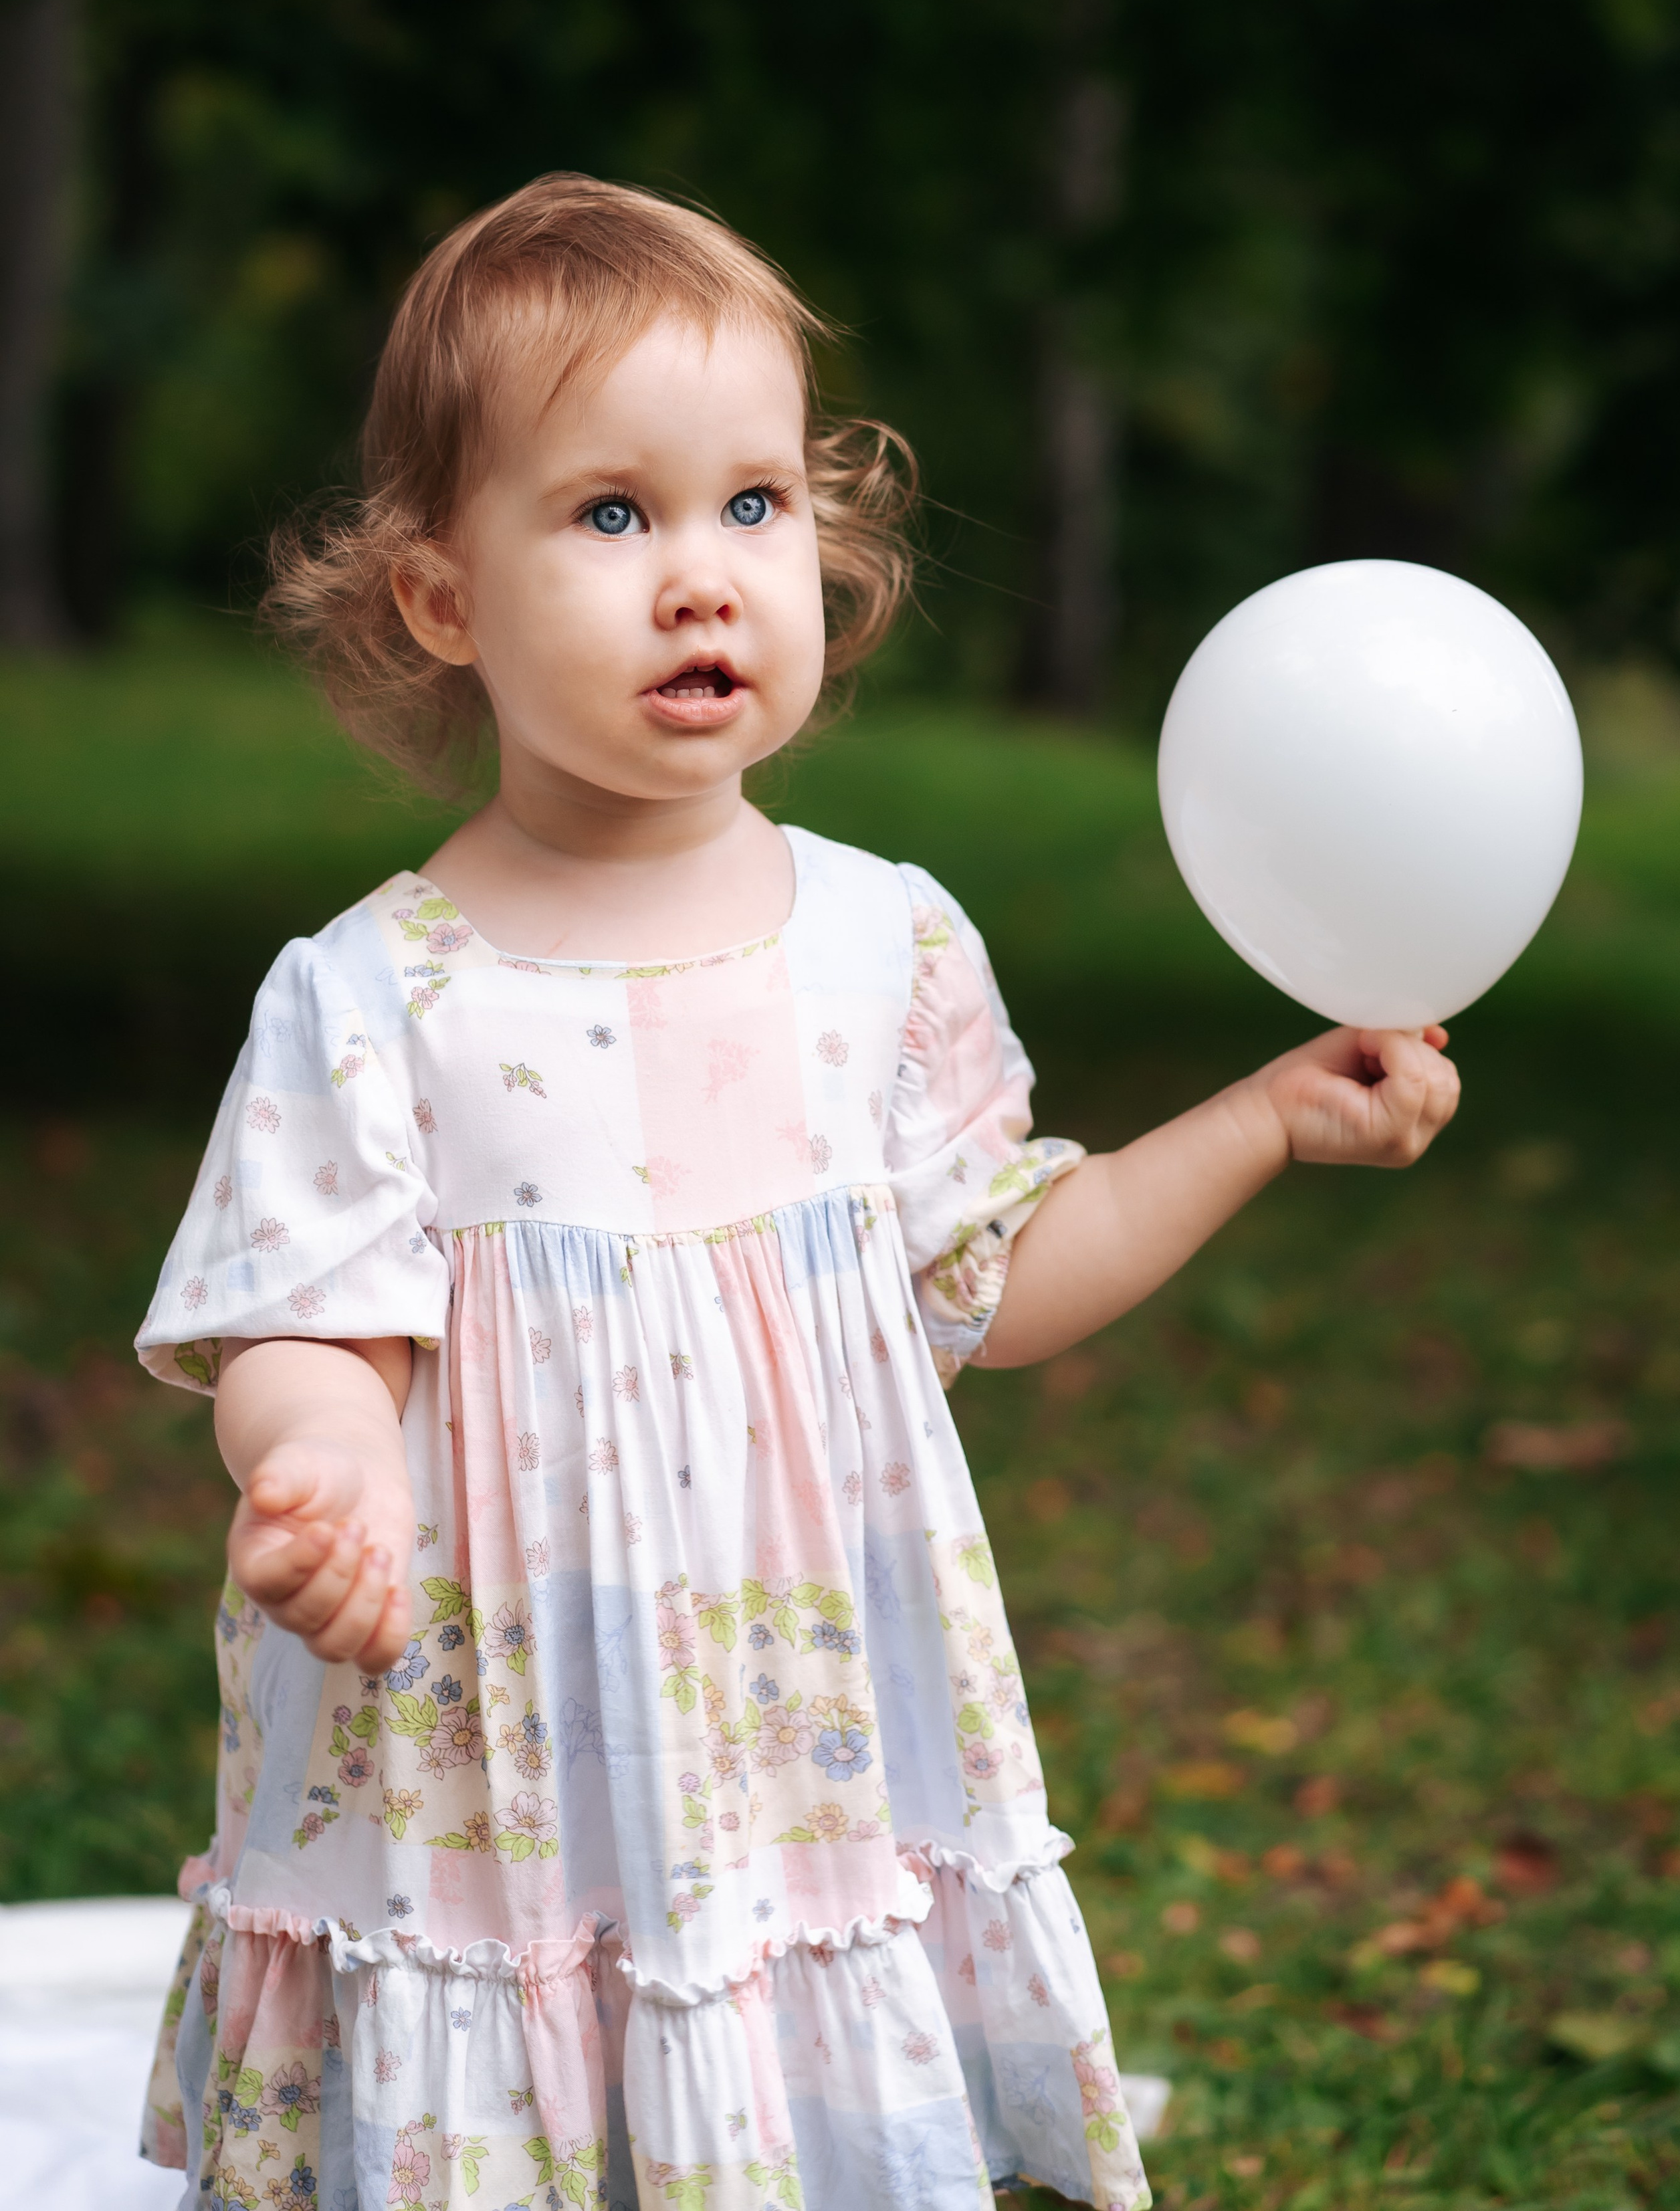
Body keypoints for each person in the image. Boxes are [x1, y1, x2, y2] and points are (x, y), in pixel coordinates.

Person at [134, 175, 1459, 2211]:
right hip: (488, 1755)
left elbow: (999, 1274)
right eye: (611, 513)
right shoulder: (375, 991)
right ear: (440, 599)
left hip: (789, 1745)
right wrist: (323, 1464)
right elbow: (309, 1306)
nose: (703, 577)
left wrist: (1262, 1115)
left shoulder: (886, 947)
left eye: (753, 505)